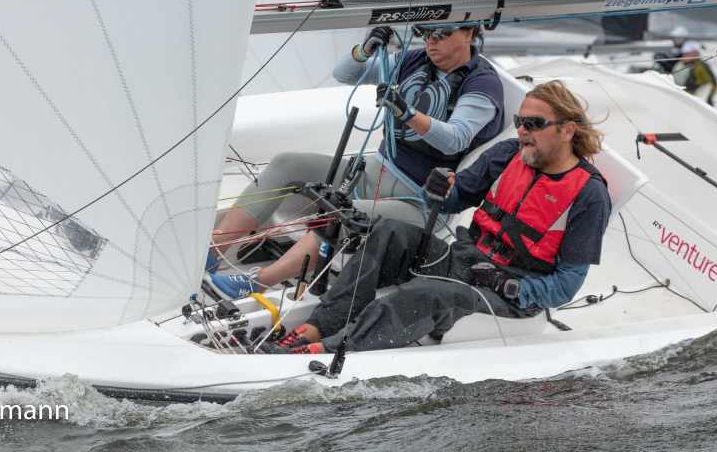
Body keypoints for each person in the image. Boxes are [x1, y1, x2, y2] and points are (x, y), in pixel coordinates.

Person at [260, 80, 611, 355]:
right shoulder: (509, 154)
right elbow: (453, 200)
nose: (521, 131)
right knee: (389, 233)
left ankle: (335, 348)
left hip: (509, 293)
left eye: (533, 124)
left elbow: (567, 286)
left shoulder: (589, 196)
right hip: (464, 260)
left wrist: (510, 285)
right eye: (520, 122)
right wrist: (439, 189)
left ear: (567, 131)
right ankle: (319, 325)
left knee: (427, 292)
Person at [207, 23, 505, 298]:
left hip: (418, 203)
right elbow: (345, 74)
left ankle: (257, 282)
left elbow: (455, 137)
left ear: (468, 32)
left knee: (343, 212)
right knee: (287, 163)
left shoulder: (482, 84)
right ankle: (210, 254)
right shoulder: (416, 61)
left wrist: (407, 113)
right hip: (371, 174)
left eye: (441, 34)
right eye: (425, 33)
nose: (430, 41)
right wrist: (364, 50)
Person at [672, 40, 717, 105]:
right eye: (684, 54)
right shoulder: (679, 64)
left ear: (695, 54)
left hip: (694, 98)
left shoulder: (700, 66)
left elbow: (710, 84)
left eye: (688, 54)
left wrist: (705, 99)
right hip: (678, 94)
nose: (684, 56)